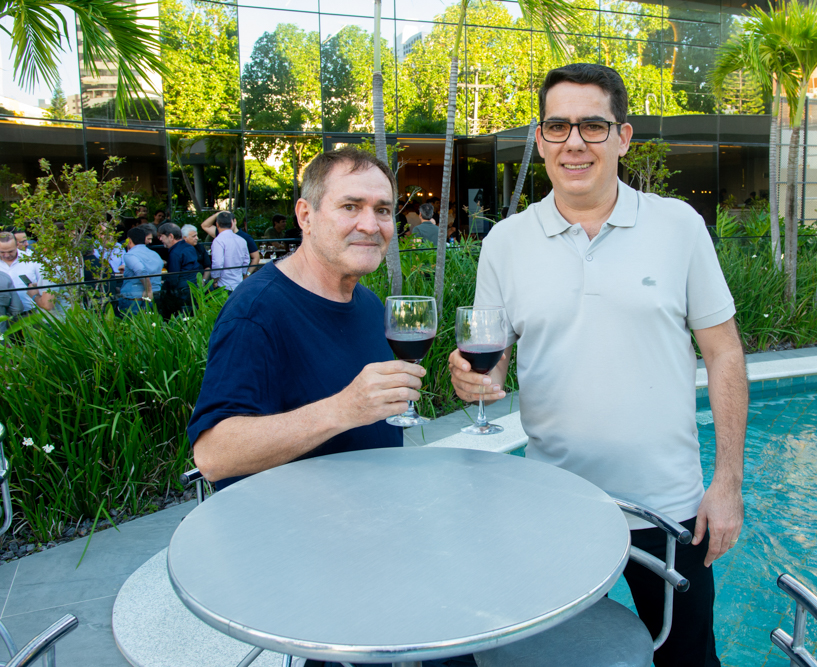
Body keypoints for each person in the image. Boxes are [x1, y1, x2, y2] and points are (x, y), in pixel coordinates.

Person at [448, 63, 747, 667]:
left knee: (690, 660)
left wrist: (727, 484)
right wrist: (476, 379)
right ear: (540, 140)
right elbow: (492, 362)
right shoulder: (505, 242)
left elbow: (724, 353)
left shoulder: (679, 225)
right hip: (555, 507)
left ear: (623, 137)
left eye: (592, 125)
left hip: (669, 508)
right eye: (557, 127)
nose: (574, 142)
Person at [187, 146, 424, 494]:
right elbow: (213, 454)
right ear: (305, 216)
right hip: (290, 526)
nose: (370, 225)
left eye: (383, 210)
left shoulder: (371, 306)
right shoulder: (256, 311)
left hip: (372, 515)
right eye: (350, 206)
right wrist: (343, 409)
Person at [0, 232, 51, 313]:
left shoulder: (32, 259)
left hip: (32, 312)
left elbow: (45, 284)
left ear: (17, 245)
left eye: (10, 251)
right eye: (2, 252)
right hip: (4, 315)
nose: (6, 255)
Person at [158, 222, 201, 317]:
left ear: (171, 236)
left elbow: (173, 279)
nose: (160, 239)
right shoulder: (189, 247)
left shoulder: (175, 253)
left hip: (181, 295)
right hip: (193, 290)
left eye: (162, 236)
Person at [119, 226, 164, 314]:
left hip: (134, 299)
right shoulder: (155, 254)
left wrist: (148, 289)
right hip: (155, 296)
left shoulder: (130, 255)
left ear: (129, 240)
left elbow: (140, 270)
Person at [210, 212, 251, 292]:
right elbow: (246, 260)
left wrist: (214, 279)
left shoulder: (218, 240)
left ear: (217, 224)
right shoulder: (242, 240)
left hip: (223, 284)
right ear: (232, 224)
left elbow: (218, 263)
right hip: (238, 282)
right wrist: (242, 274)